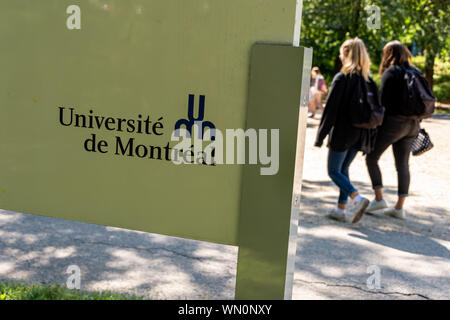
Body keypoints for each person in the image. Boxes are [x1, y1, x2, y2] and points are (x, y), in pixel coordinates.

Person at [315, 38, 378, 223]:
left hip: (343, 133)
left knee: (333, 171)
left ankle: (357, 198)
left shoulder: (342, 78)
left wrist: (320, 136)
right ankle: (340, 210)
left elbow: (331, 110)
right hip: (361, 134)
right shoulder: (368, 79)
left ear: (345, 54)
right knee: (344, 168)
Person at [365, 41, 421, 220]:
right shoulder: (416, 72)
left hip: (393, 124)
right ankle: (399, 208)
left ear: (388, 54)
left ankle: (379, 198)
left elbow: (383, 102)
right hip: (413, 125)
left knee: (372, 157)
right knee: (403, 164)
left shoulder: (391, 72)